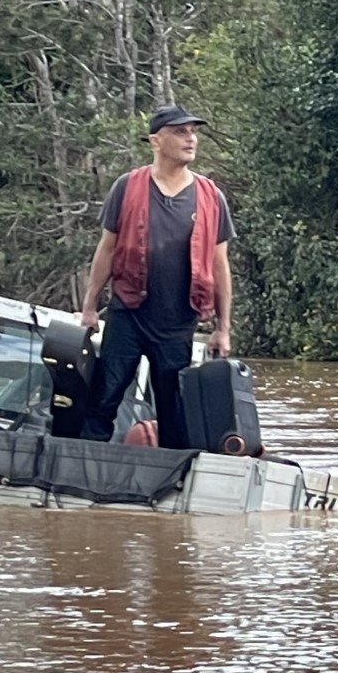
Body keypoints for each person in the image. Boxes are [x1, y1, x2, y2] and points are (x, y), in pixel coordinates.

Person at [79, 104, 234, 448]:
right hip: (128, 315)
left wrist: (223, 329)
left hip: (178, 323)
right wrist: (89, 307)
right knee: (103, 398)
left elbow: (220, 266)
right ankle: (85, 470)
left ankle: (171, 484)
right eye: (180, 132)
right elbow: (106, 250)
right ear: (155, 141)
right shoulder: (127, 186)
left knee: (174, 413)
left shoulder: (211, 196)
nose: (190, 139)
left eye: (193, 132)